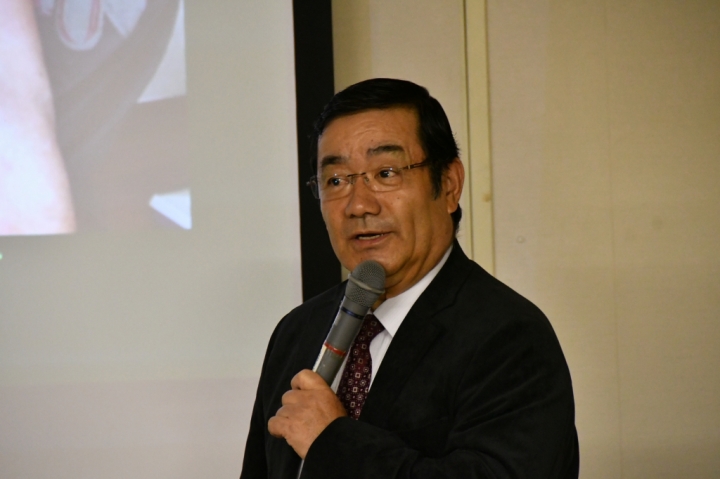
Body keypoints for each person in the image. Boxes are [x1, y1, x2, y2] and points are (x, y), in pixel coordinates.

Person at [240, 78, 579, 478]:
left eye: (386, 173)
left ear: (449, 186)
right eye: (336, 180)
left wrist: (332, 441)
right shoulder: (297, 331)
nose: (358, 205)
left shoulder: (509, 336)